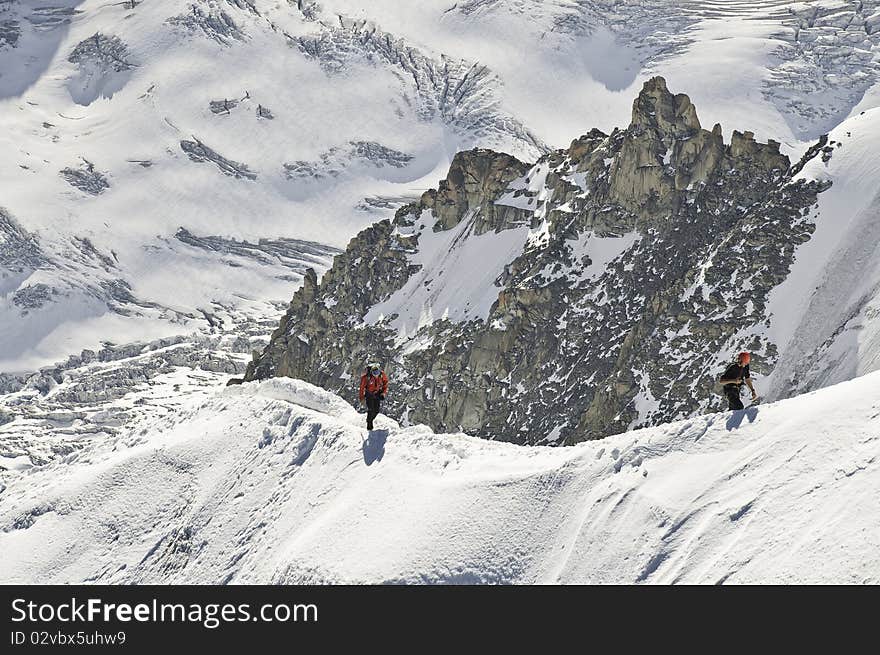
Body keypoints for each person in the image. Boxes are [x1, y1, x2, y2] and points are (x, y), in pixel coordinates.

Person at [359, 361, 389, 430]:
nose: (376, 375)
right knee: (371, 409)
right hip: (369, 394)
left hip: (377, 393)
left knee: (376, 410)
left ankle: (370, 420)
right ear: (372, 372)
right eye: (374, 373)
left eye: (377, 373)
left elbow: (385, 383)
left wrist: (383, 393)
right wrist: (362, 398)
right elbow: (362, 387)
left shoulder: (381, 375)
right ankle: (369, 425)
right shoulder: (366, 377)